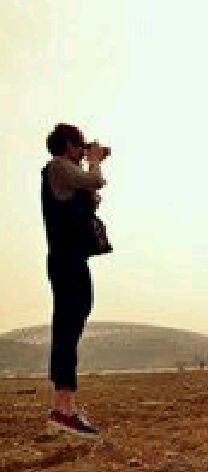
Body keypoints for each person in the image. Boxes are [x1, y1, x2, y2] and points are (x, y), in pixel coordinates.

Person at [41, 123, 109, 439]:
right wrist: (93, 161)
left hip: (73, 259)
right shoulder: (58, 167)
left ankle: (63, 406)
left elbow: (90, 197)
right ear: (68, 145)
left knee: (74, 322)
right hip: (66, 261)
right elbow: (95, 180)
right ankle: (63, 409)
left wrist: (90, 169)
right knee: (67, 328)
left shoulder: (67, 173)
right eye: (80, 144)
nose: (83, 149)